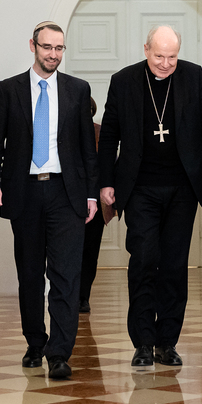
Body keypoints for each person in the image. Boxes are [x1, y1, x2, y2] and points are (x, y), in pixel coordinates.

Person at [98, 25, 202, 367]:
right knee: (143, 260)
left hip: (182, 187)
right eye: (159, 56)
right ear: (145, 50)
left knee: (174, 265)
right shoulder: (124, 81)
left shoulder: (193, 76)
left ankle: (167, 341)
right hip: (140, 187)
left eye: (172, 57)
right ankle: (142, 342)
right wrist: (105, 181)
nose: (166, 63)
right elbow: (109, 135)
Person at [0, 21, 99, 380]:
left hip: (66, 193)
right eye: (47, 47)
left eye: (59, 48)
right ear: (33, 46)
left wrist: (91, 193)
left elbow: (87, 151)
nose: (53, 54)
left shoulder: (78, 90)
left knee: (66, 275)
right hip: (25, 192)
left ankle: (59, 353)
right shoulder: (8, 90)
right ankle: (35, 342)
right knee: (30, 274)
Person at [80, 97, 116, 313]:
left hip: (96, 201)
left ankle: (83, 296)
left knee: (90, 251)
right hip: (68, 200)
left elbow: (109, 165)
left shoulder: (101, 132)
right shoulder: (63, 130)